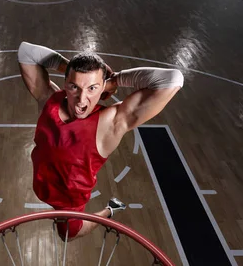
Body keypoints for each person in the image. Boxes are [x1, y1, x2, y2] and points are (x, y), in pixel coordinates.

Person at [18, 41, 184, 241]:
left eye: (92, 88)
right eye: (74, 87)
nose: (81, 100)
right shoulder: (49, 99)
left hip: (69, 202)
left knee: (69, 235)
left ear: (102, 88)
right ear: (65, 84)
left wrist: (114, 80)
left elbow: (174, 79)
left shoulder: (112, 122)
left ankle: (109, 210)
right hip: (41, 185)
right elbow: (25, 51)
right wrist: (69, 68)